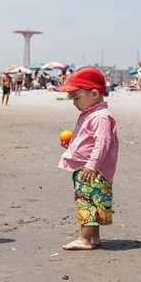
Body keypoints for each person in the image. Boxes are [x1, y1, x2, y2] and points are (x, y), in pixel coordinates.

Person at [56, 67, 119, 251]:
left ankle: (84, 239)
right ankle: (94, 237)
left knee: (87, 202)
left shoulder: (101, 117)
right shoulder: (90, 114)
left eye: (76, 97)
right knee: (92, 200)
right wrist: (72, 145)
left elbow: (102, 143)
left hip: (93, 169)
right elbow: (88, 141)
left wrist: (92, 166)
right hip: (87, 166)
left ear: (93, 94)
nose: (74, 103)